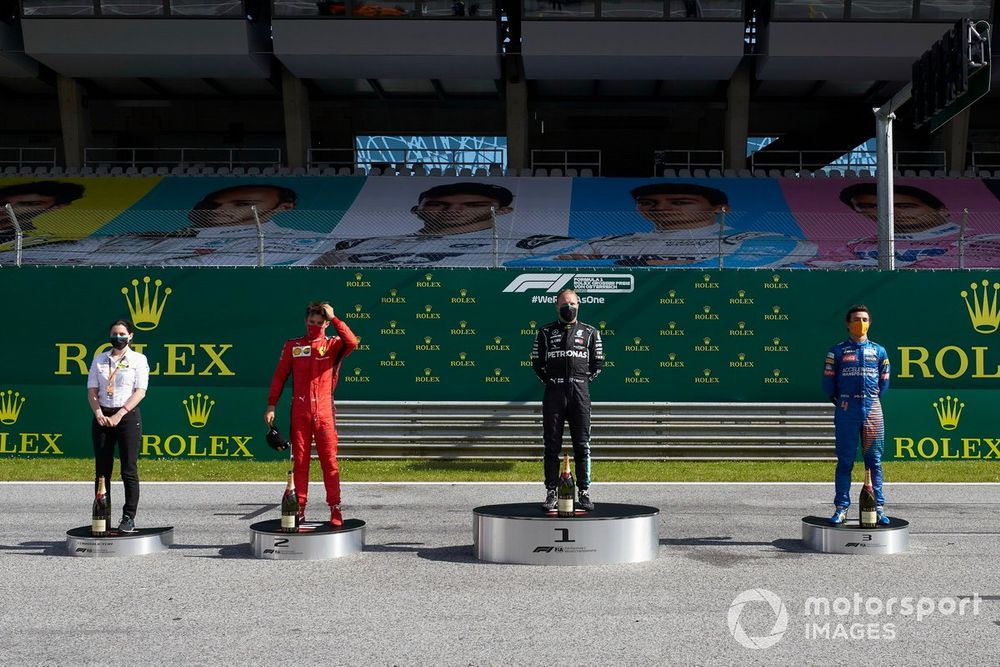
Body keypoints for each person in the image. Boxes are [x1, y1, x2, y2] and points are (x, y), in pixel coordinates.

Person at [20, 184, 319, 266]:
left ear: (283, 208)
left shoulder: (305, 242)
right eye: (211, 204)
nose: (219, 210)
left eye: (241, 205)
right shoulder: (135, 235)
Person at [545, 183, 814, 268]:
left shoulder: (756, 237)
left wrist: (605, 264)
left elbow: (743, 264)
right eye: (649, 203)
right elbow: (537, 264)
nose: (661, 208)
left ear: (721, 208)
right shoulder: (608, 240)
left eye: (679, 202)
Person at [314, 182, 565, 267]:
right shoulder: (360, 245)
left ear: (503, 211)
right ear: (417, 210)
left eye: (474, 204)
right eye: (438, 204)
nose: (454, 209)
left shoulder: (530, 243)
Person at [265, 301, 358, 526]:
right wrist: (271, 405)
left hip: (325, 411)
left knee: (330, 462)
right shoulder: (293, 346)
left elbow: (353, 342)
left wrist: (334, 317)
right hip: (300, 411)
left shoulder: (334, 344)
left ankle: (335, 508)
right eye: (312, 322)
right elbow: (279, 377)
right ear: (306, 321)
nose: (315, 326)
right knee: (301, 462)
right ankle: (300, 508)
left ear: (326, 323)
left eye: (320, 322)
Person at [531, 289, 604, 512]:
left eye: (572, 303)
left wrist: (579, 381)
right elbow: (536, 363)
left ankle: (584, 492)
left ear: (579, 305)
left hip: (580, 392)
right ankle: (551, 492)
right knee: (551, 445)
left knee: (582, 444)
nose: (568, 306)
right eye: (564, 303)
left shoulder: (591, 332)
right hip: (554, 391)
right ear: (556, 306)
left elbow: (597, 364)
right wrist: (554, 381)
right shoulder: (544, 332)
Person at [822, 305, 891, 526]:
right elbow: (827, 383)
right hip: (846, 410)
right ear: (848, 323)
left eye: (865, 319)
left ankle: (878, 507)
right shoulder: (837, 351)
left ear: (870, 323)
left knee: (875, 461)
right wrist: (841, 400)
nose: (861, 323)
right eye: (856, 319)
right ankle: (841, 508)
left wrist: (871, 398)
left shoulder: (879, 351)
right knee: (845, 461)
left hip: (872, 410)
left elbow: (885, 381)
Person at [86, 319, 150, 533]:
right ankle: (102, 515)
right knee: (102, 471)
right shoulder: (100, 360)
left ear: (130, 336)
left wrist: (120, 414)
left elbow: (140, 391)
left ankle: (129, 517)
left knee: (128, 470)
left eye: (122, 333)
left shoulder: (138, 360)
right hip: (103, 417)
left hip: (127, 417)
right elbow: (92, 391)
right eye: (114, 333)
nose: (118, 337)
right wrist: (99, 413)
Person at [812, 183, 960, 268]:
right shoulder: (859, 244)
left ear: (942, 211)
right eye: (869, 206)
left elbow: (951, 266)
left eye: (905, 206)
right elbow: (817, 265)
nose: (891, 212)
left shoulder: (973, 239)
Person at [0, 180, 86, 245]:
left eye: (28, 204)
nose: (3, 209)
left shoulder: (37, 241)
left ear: (57, 207)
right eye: (2, 203)